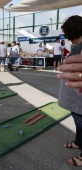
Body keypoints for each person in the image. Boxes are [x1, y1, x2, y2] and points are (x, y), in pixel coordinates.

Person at [57, 15, 82, 167]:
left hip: (79, 100)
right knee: (79, 123)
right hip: (77, 102)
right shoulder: (77, 47)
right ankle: (79, 142)